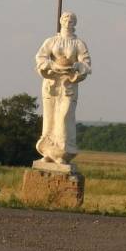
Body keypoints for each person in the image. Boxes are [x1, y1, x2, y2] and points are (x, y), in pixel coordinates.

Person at [34, 11, 91, 165]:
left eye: (71, 19)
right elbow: (40, 58)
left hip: (68, 84)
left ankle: (62, 153)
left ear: (75, 23)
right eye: (65, 18)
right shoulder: (51, 41)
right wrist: (52, 65)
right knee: (50, 118)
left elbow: (86, 64)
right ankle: (48, 153)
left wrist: (76, 66)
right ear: (60, 21)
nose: (68, 21)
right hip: (52, 84)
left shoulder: (78, 43)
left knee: (64, 118)